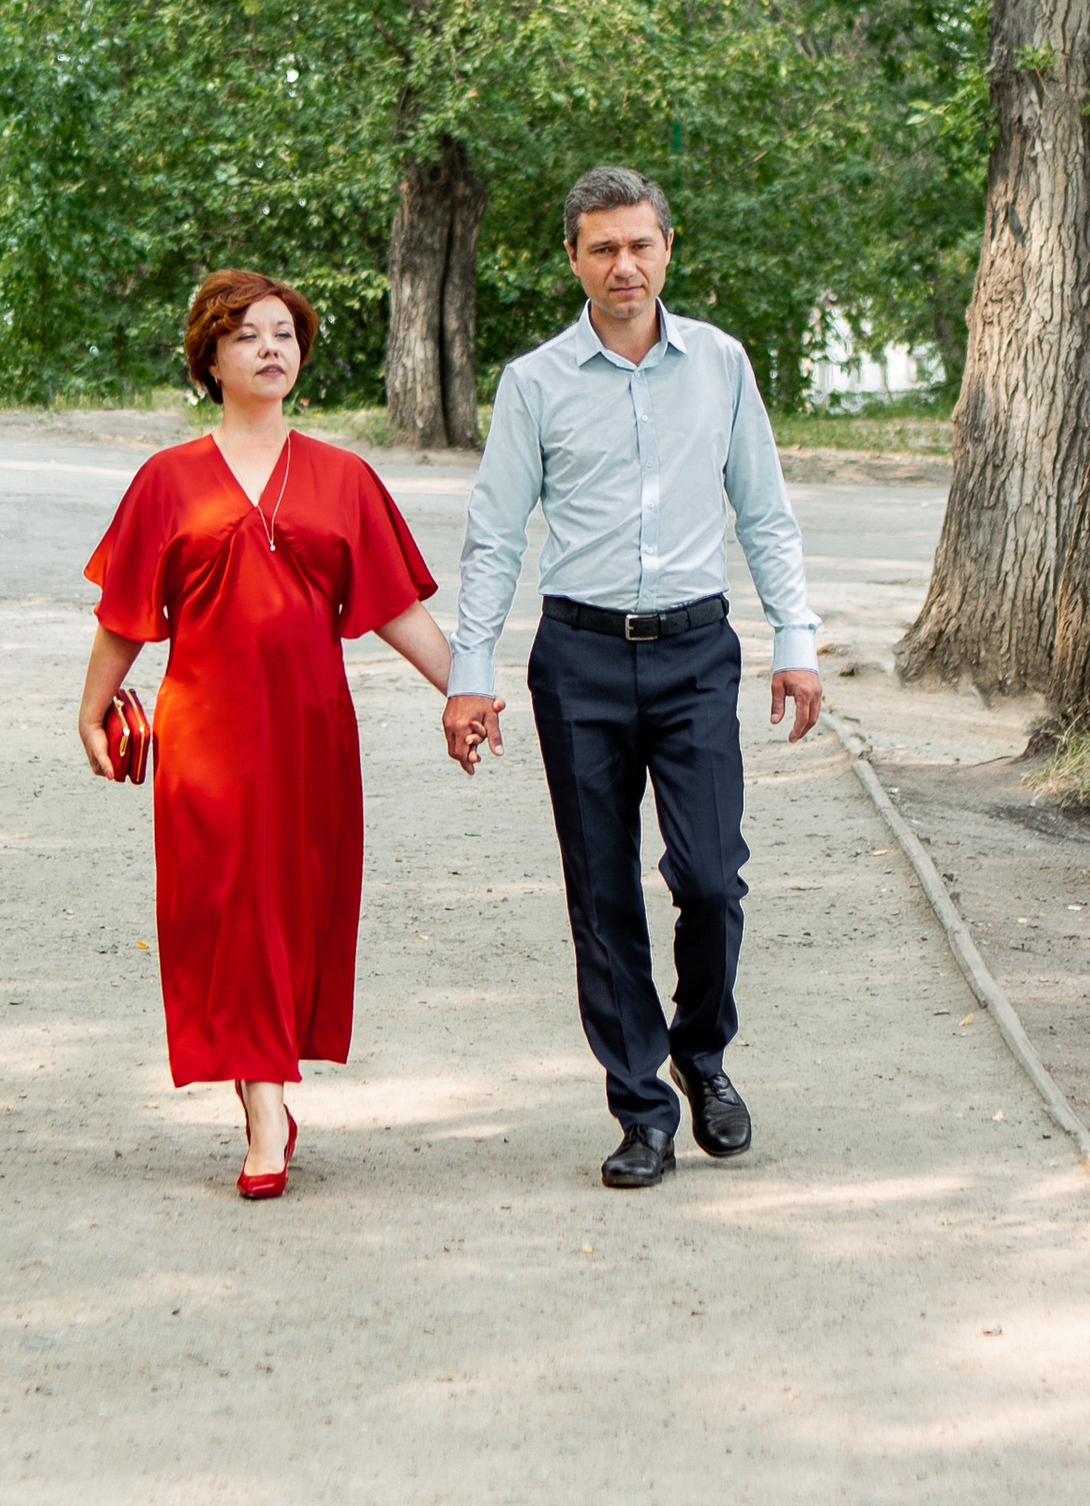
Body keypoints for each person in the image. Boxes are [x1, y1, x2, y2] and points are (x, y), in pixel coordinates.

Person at [442, 167, 823, 1188]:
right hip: (579, 661)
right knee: (601, 892)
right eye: (602, 247)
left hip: (697, 652)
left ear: (667, 247)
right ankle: (642, 1106)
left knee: (709, 879)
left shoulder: (721, 365)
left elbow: (765, 513)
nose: (624, 265)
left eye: (640, 244)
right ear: (572, 257)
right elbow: (492, 538)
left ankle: (702, 1054)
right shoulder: (534, 383)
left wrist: (797, 639)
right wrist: (467, 674)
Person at [78, 268, 461, 1197]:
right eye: (248, 334)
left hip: (310, 731)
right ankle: (260, 1112)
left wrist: (468, 690)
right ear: (210, 356)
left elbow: (393, 607)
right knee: (232, 909)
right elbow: (128, 613)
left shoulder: (345, 476)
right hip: (205, 733)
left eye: (285, 333)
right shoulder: (166, 480)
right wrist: (92, 705)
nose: (271, 348)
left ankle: (272, 1083)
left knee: (293, 905)